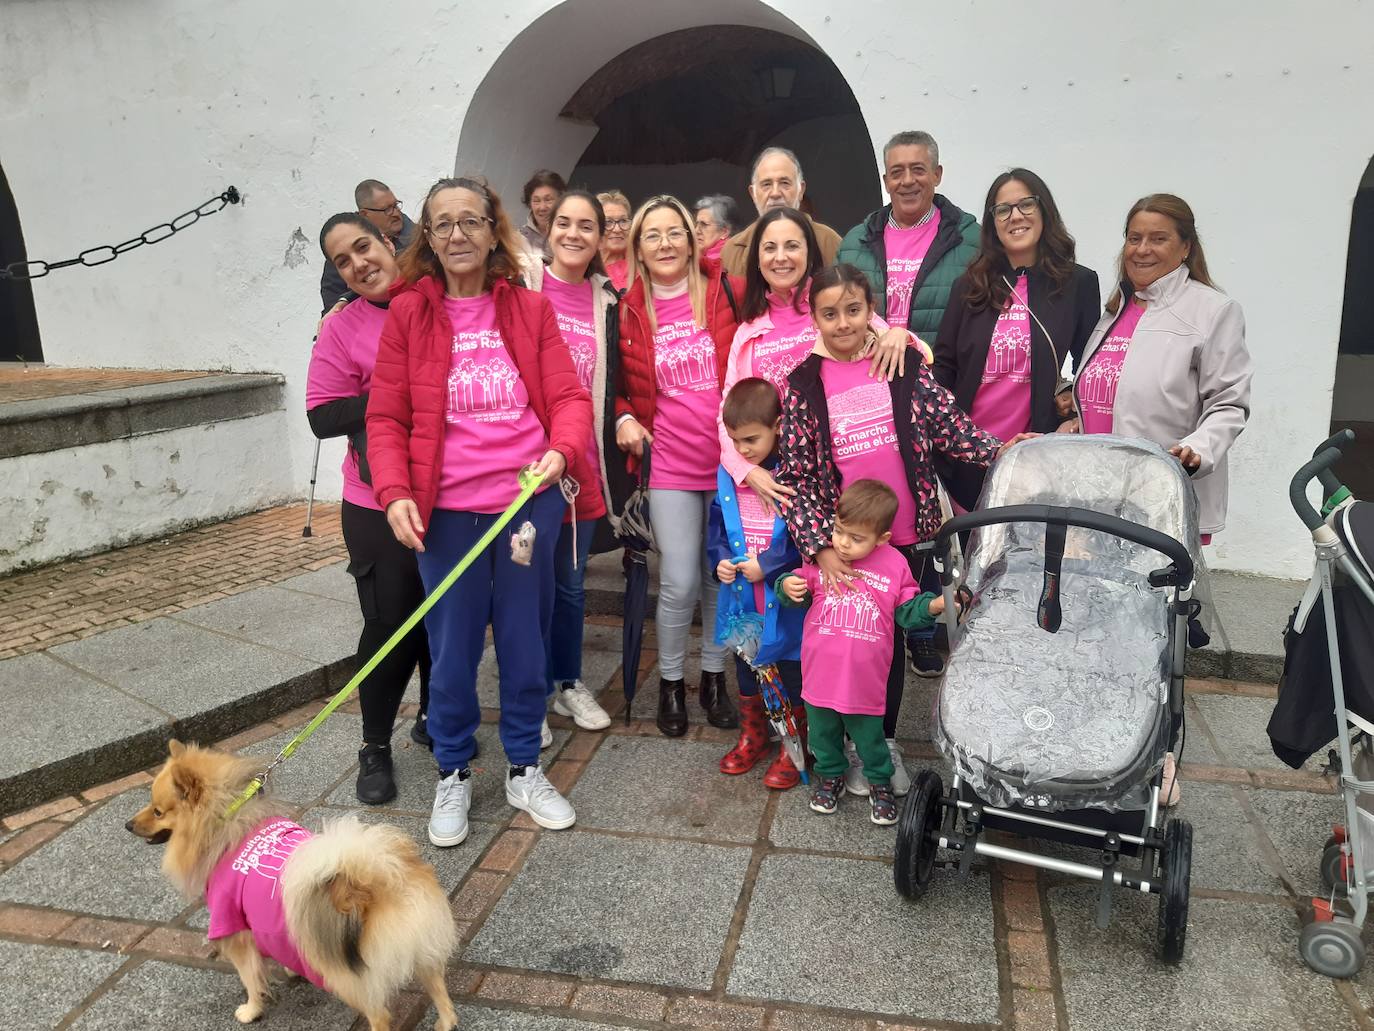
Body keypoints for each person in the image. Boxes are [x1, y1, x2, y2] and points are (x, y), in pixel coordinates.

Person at [367, 176, 593, 846]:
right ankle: (454, 771)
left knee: (526, 641)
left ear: (494, 231)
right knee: (453, 648)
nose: (458, 233)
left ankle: (525, 765)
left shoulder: (529, 309)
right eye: (443, 224)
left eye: (471, 220)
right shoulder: (409, 314)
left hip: (527, 504)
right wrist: (395, 492)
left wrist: (562, 450)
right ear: (428, 240)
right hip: (448, 515)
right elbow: (385, 416)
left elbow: (569, 398)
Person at [776, 264, 1032, 794]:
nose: (843, 324)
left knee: (885, 644)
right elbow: (796, 475)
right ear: (815, 318)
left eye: (853, 310)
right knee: (840, 640)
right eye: (829, 314)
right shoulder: (802, 384)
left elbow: (948, 426)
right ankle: (834, 744)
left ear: (869, 308)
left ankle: (880, 739)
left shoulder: (900, 361)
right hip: (845, 543)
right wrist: (822, 547)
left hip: (907, 535)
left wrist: (999, 451)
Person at [1067, 194, 1253, 806]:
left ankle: (1160, 754)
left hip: (1164, 499)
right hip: (1101, 493)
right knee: (1101, 622)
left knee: (1155, 633)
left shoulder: (1212, 310)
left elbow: (1230, 402)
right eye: (1133, 237)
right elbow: (1104, 396)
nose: (1142, 249)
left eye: (1157, 239)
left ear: (1185, 247)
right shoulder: (1118, 307)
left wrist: (1199, 447)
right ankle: (1100, 735)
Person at [307, 212, 433, 805]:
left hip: (446, 491)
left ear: (389, 242)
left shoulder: (438, 299)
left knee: (445, 614)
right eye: (342, 260)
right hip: (374, 501)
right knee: (389, 624)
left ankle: (436, 717)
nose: (359, 264)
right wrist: (389, 394)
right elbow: (322, 415)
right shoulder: (342, 328)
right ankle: (375, 744)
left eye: (364, 247)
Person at [614, 195, 742, 737]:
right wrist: (622, 417)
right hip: (667, 463)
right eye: (652, 235)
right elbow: (613, 387)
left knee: (721, 578)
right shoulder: (627, 307)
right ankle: (670, 683)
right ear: (638, 248)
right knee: (680, 580)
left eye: (675, 233)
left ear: (692, 241)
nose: (665, 244)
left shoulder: (722, 294)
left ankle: (713, 678)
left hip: (727, 463)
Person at [719, 205, 922, 514]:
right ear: (757, 259)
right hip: (784, 483)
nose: (781, 257)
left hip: (845, 473)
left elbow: (910, 352)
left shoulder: (833, 304)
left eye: (792, 245)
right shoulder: (748, 331)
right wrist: (745, 470)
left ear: (810, 253)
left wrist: (898, 334)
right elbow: (726, 412)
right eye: (770, 248)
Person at [779, 479, 952, 824]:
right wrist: (786, 586)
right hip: (820, 673)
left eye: (856, 538)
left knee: (870, 736)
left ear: (882, 538)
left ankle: (879, 781)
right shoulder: (822, 559)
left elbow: (906, 609)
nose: (843, 542)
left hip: (865, 677)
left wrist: (933, 606)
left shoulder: (894, 564)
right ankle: (830, 776)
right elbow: (794, 590)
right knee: (823, 732)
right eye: (839, 531)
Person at [933, 169, 1100, 509]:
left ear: (1044, 211)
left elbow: (1091, 366)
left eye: (1026, 204)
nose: (1015, 216)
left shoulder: (1078, 284)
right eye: (1003, 209)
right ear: (992, 222)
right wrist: (948, 440)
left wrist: (1074, 418)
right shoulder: (969, 285)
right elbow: (944, 368)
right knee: (974, 558)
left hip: (1036, 458)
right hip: (970, 456)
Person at [522, 190, 618, 734]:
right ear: (549, 228)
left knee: (570, 586)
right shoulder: (524, 287)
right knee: (526, 587)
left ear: (601, 236)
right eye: (564, 223)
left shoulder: (607, 298)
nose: (574, 234)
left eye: (586, 225)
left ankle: (566, 683)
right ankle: (529, 692)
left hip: (581, 466)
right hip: (529, 465)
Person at [709, 378, 806, 788]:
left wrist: (768, 564)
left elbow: (805, 534)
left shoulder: (796, 473)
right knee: (746, 666)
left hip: (782, 597)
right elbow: (716, 524)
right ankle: (754, 734)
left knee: (789, 667)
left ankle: (794, 742)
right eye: (734, 441)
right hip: (741, 598)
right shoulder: (729, 474)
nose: (743, 451)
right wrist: (720, 563)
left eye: (751, 439)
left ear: (778, 426)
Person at [837, 131, 979, 347]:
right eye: (897, 172)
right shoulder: (854, 244)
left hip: (942, 377)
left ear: (937, 174)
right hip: (870, 375)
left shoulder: (971, 241)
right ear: (886, 182)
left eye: (918, 170)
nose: (907, 180)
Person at [720, 148, 842, 276]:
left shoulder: (828, 241)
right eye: (766, 184)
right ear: (753, 193)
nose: (775, 193)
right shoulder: (732, 250)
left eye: (784, 183)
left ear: (801, 190)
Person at [319, 179, 416, 314]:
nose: (395, 213)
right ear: (365, 214)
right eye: (387, 209)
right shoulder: (340, 249)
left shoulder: (417, 240)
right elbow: (333, 306)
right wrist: (344, 301)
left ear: (387, 244)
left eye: (396, 206)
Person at [519, 169, 566, 259]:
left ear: (561, 200)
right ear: (529, 204)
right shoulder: (519, 241)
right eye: (536, 201)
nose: (542, 207)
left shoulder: (570, 237)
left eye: (548, 200)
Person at [597, 190, 632, 291]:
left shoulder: (643, 268)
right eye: (608, 222)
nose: (617, 229)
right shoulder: (583, 269)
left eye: (623, 221)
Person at [693, 194, 740, 264]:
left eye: (704, 224)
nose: (696, 231)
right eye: (696, 224)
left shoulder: (723, 262)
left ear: (724, 232)